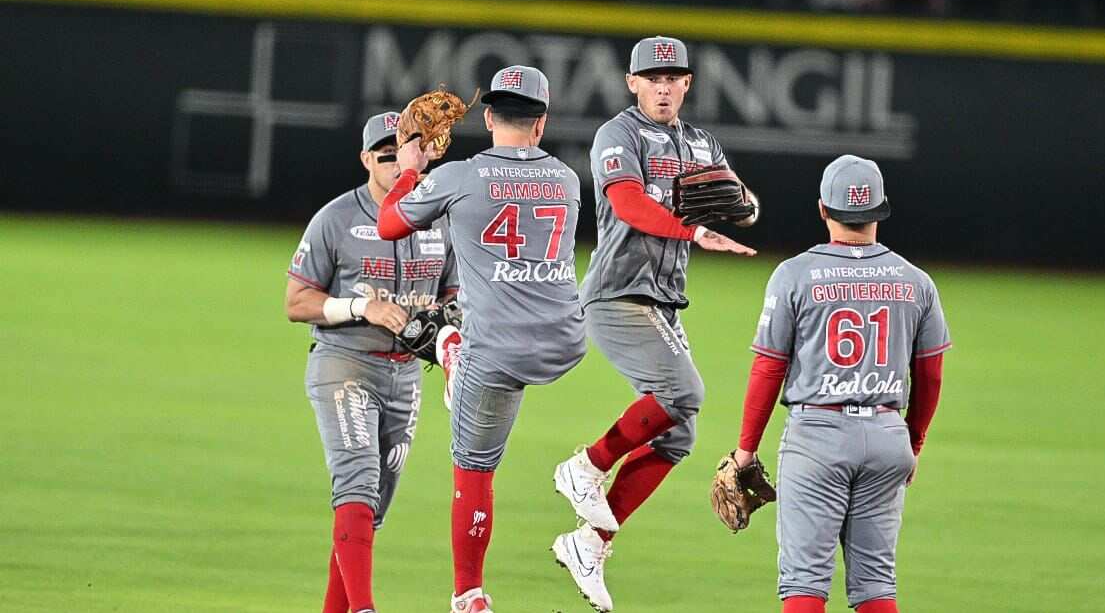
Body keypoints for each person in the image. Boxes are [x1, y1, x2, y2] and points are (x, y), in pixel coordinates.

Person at [551, 35, 756, 612]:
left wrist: (744, 206)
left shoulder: (700, 141)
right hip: (617, 293)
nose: (663, 86)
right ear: (632, 82)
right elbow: (628, 205)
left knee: (678, 433)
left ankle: (589, 542)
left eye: (674, 77)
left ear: (688, 83)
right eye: (652, 77)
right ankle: (583, 466)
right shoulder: (618, 135)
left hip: (663, 301)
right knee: (684, 391)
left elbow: (734, 197)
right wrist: (694, 230)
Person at [375, 65, 587, 613]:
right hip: (565, 340)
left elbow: (391, 224)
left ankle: (468, 592)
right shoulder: (567, 179)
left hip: (496, 349)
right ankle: (453, 348)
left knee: (474, 467)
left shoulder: (461, 177)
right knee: (472, 319)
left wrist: (410, 168)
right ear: (541, 124)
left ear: (488, 116)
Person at [731, 155, 950, 613]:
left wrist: (746, 450)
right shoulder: (916, 281)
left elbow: (768, 367)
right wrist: (913, 443)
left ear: (823, 210)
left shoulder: (795, 274)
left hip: (818, 438)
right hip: (888, 436)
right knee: (875, 585)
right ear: (880, 210)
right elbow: (930, 374)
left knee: (805, 582)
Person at [285, 111, 458, 613]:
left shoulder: (439, 217)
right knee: (357, 483)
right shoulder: (336, 218)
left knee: (370, 511)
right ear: (366, 159)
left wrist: (448, 319)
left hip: (406, 373)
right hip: (345, 362)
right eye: (387, 153)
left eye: (409, 151)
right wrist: (361, 307)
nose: (398, 160)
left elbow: (455, 288)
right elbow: (297, 301)